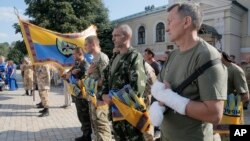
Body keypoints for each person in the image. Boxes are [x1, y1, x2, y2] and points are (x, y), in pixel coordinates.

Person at [150, 2, 227, 141]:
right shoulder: (173, 55)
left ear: (186, 22)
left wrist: (169, 98)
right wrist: (162, 97)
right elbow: (158, 89)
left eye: (170, 21)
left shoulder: (206, 55)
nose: (166, 29)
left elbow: (214, 114)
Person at [101, 24, 147, 141]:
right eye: (113, 35)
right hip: (117, 115)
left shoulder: (134, 57)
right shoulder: (115, 57)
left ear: (127, 36)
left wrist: (112, 99)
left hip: (130, 117)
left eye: (116, 35)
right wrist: (102, 94)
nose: (113, 38)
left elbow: (136, 89)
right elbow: (106, 78)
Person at [85, 35, 112, 141]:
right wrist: (89, 73)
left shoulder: (102, 58)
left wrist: (90, 82)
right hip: (94, 98)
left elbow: (106, 80)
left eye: (86, 44)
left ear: (93, 44)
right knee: (96, 126)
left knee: (102, 127)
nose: (85, 47)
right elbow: (92, 77)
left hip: (101, 99)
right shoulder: (94, 59)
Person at [219, 52, 249, 140]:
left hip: (231, 114)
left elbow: (245, 96)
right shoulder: (219, 69)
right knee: (221, 136)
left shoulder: (235, 70)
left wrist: (228, 104)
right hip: (221, 115)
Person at [65, 47, 92, 141]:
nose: (73, 56)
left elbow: (86, 81)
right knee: (80, 115)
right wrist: (71, 73)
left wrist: (74, 77)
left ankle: (87, 136)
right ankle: (85, 134)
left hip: (83, 96)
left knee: (85, 116)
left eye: (74, 54)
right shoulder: (77, 64)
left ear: (79, 54)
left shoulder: (85, 65)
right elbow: (67, 75)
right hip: (77, 94)